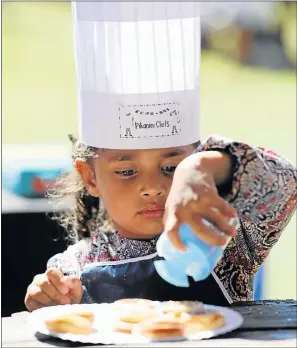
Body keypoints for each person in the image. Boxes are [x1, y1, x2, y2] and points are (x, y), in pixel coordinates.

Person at [25, 2, 296, 311]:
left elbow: (286, 183)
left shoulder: (226, 242)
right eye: (127, 171)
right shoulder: (74, 268)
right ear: (90, 177)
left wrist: (202, 167)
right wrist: (48, 300)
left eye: (171, 167)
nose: (153, 186)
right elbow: (59, 320)